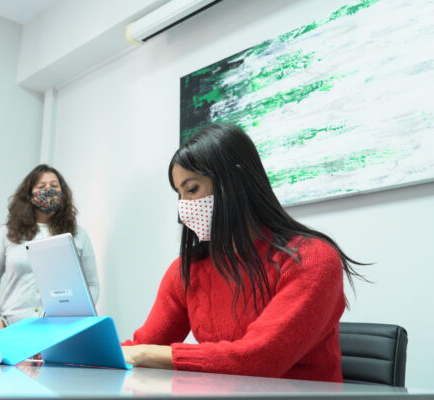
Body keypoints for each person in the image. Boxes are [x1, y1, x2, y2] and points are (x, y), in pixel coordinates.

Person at [121, 124, 364, 382]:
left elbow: (258, 359)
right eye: (179, 195)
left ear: (234, 181)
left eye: (191, 189)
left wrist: (144, 354)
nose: (184, 208)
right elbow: (142, 345)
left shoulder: (312, 259)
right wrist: (105, 351)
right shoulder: (187, 270)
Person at [0, 164, 99, 331]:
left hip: (59, 330)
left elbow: (92, 283)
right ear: (29, 194)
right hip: (12, 327)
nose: (48, 190)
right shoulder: (8, 232)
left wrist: (79, 317)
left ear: (63, 193)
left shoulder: (79, 235)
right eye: (41, 186)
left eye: (54, 186)